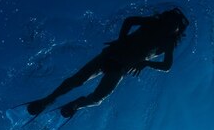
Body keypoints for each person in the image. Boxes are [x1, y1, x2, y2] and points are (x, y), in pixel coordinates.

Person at [26, 7, 189, 119]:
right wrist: (122, 40)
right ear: (165, 17)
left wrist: (145, 63)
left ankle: (74, 104)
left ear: (177, 30)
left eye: (174, 24)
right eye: (169, 19)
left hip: (119, 65)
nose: (170, 24)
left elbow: (167, 66)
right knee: (78, 80)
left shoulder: (167, 42)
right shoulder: (154, 24)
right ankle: (48, 100)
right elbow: (130, 20)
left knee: (95, 96)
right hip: (114, 56)